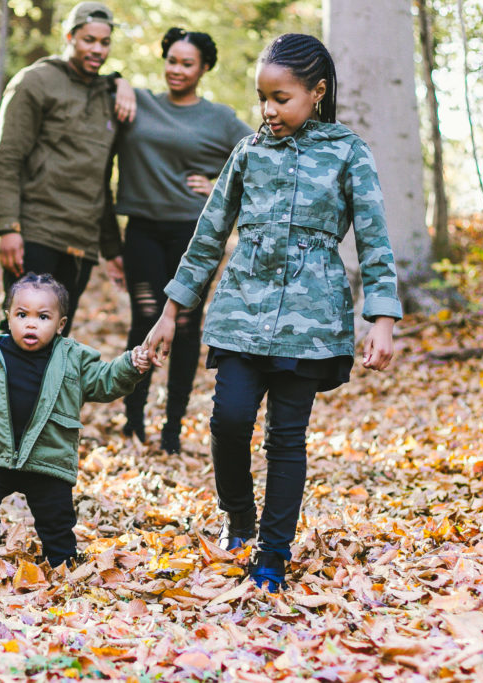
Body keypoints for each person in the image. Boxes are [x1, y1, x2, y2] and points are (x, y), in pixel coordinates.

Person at [144, 33, 403, 592]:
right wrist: (171, 311)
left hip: (310, 326)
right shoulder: (248, 152)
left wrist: (380, 318)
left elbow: (376, 238)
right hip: (241, 314)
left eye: (281, 98)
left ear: (317, 92)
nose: (268, 110)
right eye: (262, 97)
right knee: (229, 420)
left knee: (287, 438)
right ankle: (238, 518)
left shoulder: (347, 151)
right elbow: (208, 236)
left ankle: (272, 555)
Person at [0, 273, 151, 567]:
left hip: (49, 458)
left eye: (43, 317)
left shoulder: (72, 358)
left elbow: (105, 380)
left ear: (60, 324)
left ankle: (62, 564)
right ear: (9, 318)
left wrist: (130, 365)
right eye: (22, 315)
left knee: (56, 520)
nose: (31, 323)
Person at [115, 28, 254, 454]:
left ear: (204, 68)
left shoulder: (220, 118)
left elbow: (262, 153)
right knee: (145, 318)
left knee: (188, 325)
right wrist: (118, 79)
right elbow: (100, 83)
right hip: (141, 228)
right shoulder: (140, 102)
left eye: (187, 63)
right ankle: (133, 419)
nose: (177, 70)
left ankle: (172, 428)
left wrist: (215, 182)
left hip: (194, 234)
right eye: (171, 61)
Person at [0, 2, 136, 336]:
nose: (97, 49)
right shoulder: (35, 82)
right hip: (36, 232)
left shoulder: (108, 95)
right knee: (20, 336)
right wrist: (7, 227)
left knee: (55, 338)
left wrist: (112, 250)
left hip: (80, 243)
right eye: (88, 40)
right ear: (69, 36)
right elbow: (6, 158)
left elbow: (100, 180)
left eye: (104, 42)